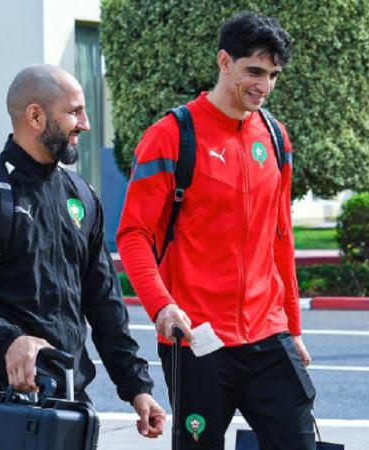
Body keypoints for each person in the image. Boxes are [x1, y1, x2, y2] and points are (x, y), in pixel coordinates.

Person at [0, 64, 166, 439]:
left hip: (71, 403)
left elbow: (104, 303)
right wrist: (8, 340)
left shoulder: (82, 196)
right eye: (73, 112)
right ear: (35, 116)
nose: (85, 124)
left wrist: (137, 388)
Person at [116, 12, 316, 450]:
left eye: (273, 75)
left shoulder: (275, 137)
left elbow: (280, 237)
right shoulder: (170, 136)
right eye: (254, 71)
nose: (264, 86)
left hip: (268, 332)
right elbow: (133, 234)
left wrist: (293, 327)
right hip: (197, 338)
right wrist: (161, 306)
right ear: (224, 61)